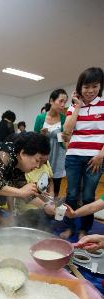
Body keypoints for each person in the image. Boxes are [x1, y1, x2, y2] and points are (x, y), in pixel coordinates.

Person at [61, 67, 104, 240]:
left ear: (100, 86)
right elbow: (66, 131)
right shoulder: (73, 106)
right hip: (73, 156)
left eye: (95, 86)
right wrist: (77, 106)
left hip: (96, 158)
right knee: (71, 194)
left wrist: (101, 155)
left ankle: (84, 229)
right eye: (86, 87)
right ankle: (69, 226)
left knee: (88, 195)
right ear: (80, 87)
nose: (90, 90)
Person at [34, 89, 68, 196]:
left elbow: (64, 144)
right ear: (51, 101)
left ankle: (53, 208)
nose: (63, 105)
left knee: (56, 185)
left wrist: (62, 136)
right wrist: (41, 135)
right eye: (61, 101)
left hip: (58, 156)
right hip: (43, 157)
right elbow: (34, 140)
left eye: (65, 102)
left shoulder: (64, 119)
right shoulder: (40, 118)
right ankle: (41, 208)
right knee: (40, 184)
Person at [14, 153, 56, 231]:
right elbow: (23, 193)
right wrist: (44, 204)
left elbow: (50, 181)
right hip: (27, 211)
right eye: (38, 160)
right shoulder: (23, 168)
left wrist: (51, 194)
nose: (38, 165)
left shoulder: (46, 164)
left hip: (43, 207)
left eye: (44, 161)